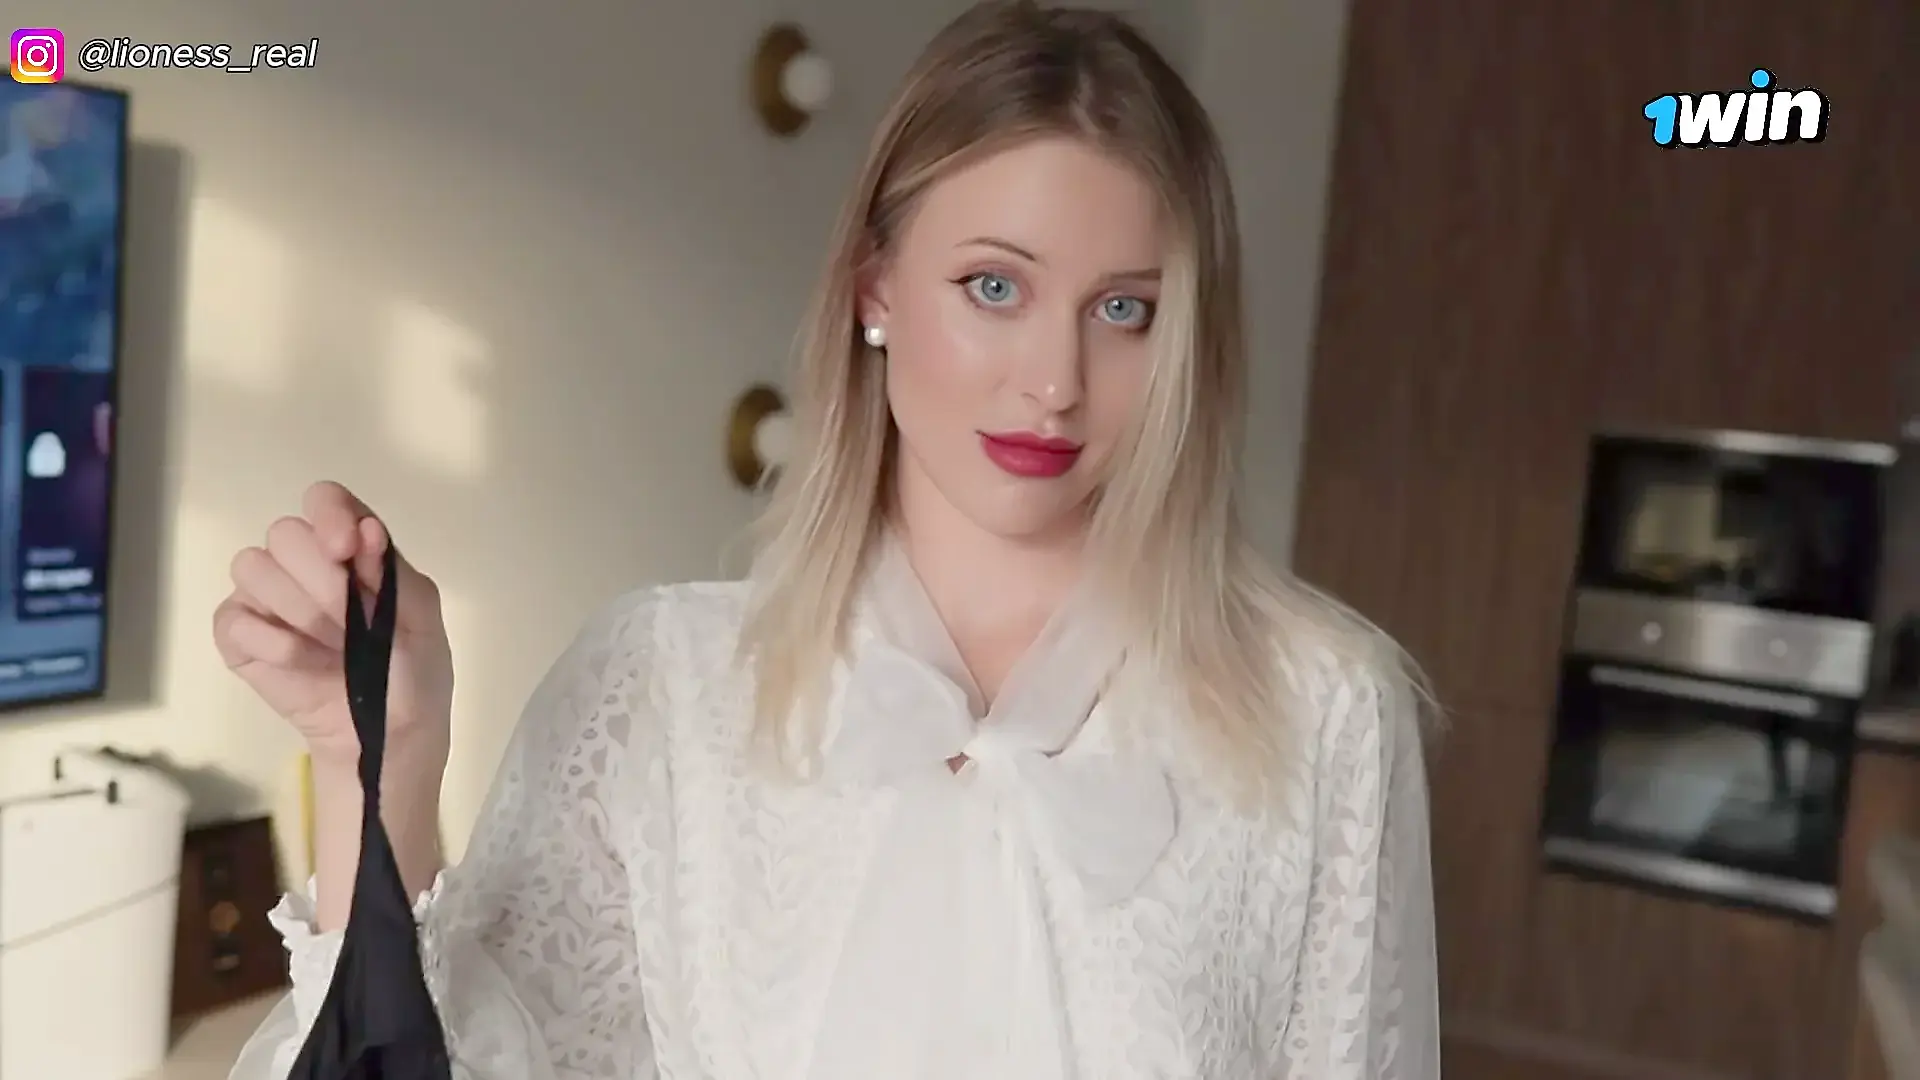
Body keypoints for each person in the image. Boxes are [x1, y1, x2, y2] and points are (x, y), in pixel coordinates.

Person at [217, 3, 1440, 1077]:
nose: (1055, 382)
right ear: (874, 288)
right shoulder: (664, 686)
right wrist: (377, 763)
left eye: (1124, 310)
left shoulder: (1321, 711)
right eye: (995, 287)